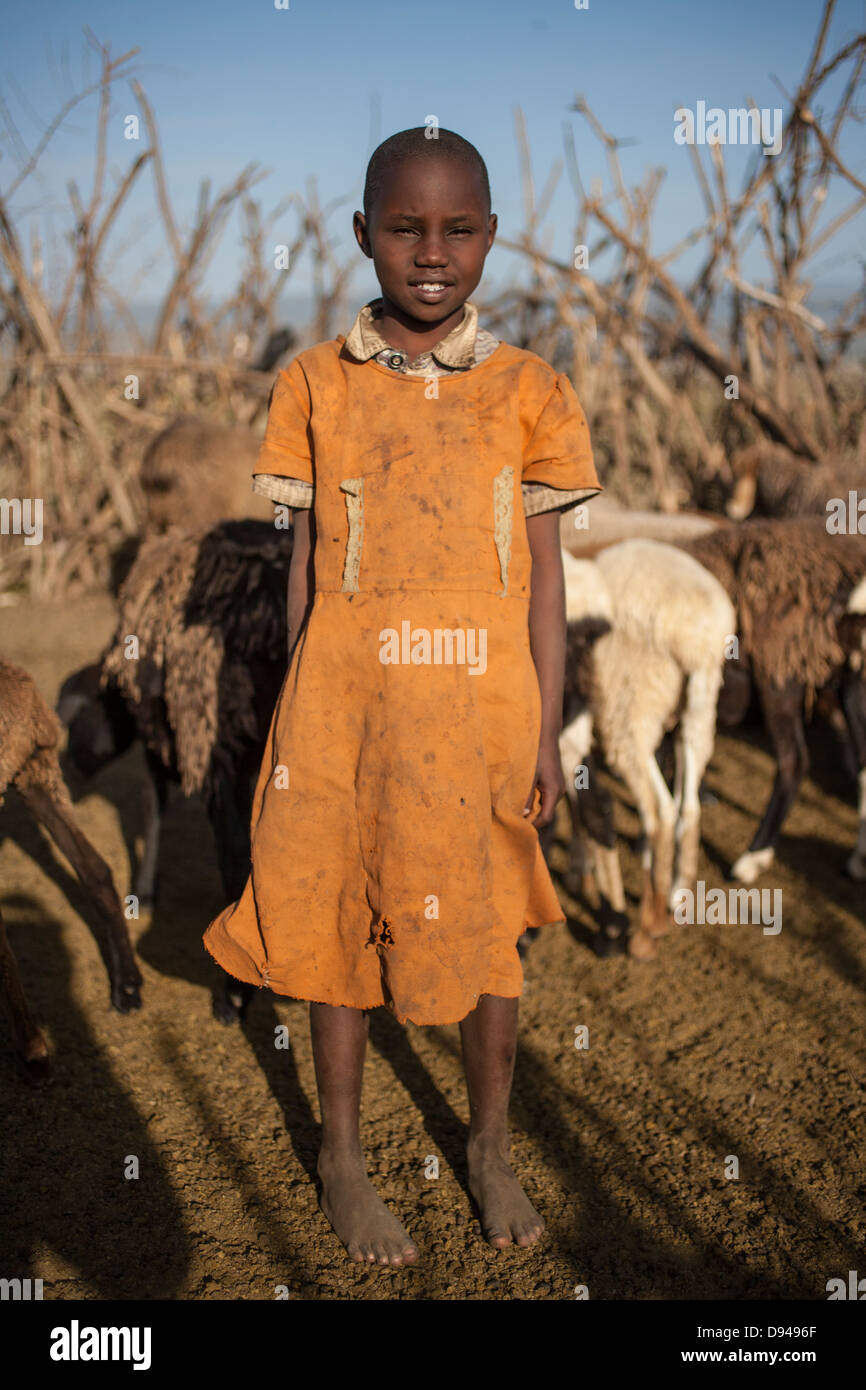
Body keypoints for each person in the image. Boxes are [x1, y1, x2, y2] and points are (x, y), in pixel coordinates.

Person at [203, 127, 600, 1267]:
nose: (432, 252)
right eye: (405, 228)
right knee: (336, 921)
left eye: (458, 229)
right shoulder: (314, 384)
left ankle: (487, 1146)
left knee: (487, 936)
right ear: (361, 233)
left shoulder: (531, 390)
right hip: (346, 710)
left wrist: (542, 729)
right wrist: (293, 724)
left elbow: (544, 584)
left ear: (489, 236)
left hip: (481, 715)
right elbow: (302, 567)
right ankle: (340, 1155)